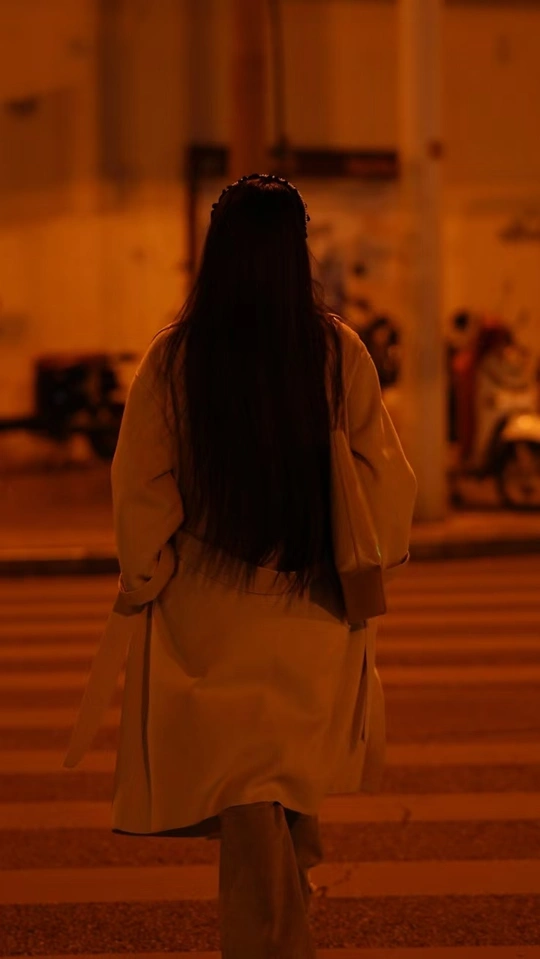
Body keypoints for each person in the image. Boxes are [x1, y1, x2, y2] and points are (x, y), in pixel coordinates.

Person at [63, 174, 417, 958]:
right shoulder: (335, 350)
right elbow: (386, 478)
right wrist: (377, 554)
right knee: (277, 786)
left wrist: (146, 575)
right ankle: (283, 928)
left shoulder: (176, 358)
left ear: (216, 252)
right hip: (311, 603)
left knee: (250, 791)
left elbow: (142, 485)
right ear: (297, 252)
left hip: (209, 608)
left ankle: (271, 944)